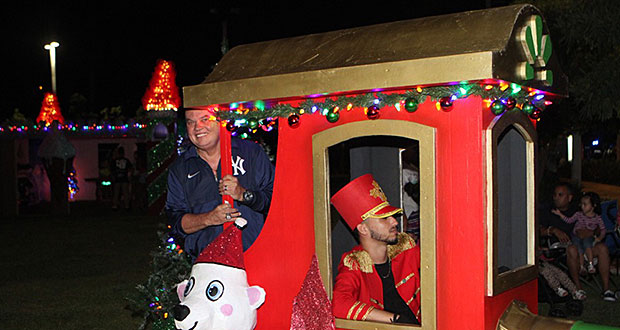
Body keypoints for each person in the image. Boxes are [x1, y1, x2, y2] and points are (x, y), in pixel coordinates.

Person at [165, 108, 275, 261]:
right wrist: (209, 219)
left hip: (255, 259)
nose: (198, 127)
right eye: (191, 122)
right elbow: (176, 222)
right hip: (207, 266)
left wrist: (244, 195)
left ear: (220, 121)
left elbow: (276, 201)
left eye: (205, 119)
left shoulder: (251, 153)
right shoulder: (180, 169)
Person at [330, 174, 421, 324]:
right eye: (384, 218)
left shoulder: (405, 249)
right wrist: (394, 320)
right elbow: (338, 305)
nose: (394, 221)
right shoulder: (355, 264)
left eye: (392, 216)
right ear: (363, 229)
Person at [540, 183, 616, 302]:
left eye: (560, 195)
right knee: (572, 249)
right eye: (555, 195)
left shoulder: (578, 210)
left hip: (583, 243)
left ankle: (606, 290)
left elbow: (597, 225)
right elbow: (538, 230)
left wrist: (591, 232)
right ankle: (578, 288)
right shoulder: (548, 211)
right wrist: (553, 230)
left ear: (569, 198)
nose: (556, 197)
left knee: (602, 248)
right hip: (561, 247)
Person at [552, 192, 606, 275]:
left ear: (593, 206)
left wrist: (599, 238)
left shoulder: (597, 218)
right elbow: (569, 220)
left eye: (585, 204)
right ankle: (581, 267)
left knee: (588, 244)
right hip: (576, 236)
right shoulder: (578, 214)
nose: (582, 206)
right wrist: (560, 214)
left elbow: (603, 229)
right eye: (581, 204)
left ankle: (590, 264)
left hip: (588, 236)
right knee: (578, 248)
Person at [111, 146, 133, 210]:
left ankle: (115, 205)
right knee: (125, 192)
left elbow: (112, 170)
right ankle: (126, 206)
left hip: (117, 178)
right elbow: (130, 169)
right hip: (124, 178)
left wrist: (113, 177)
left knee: (116, 193)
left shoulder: (115, 161)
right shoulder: (126, 160)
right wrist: (129, 176)